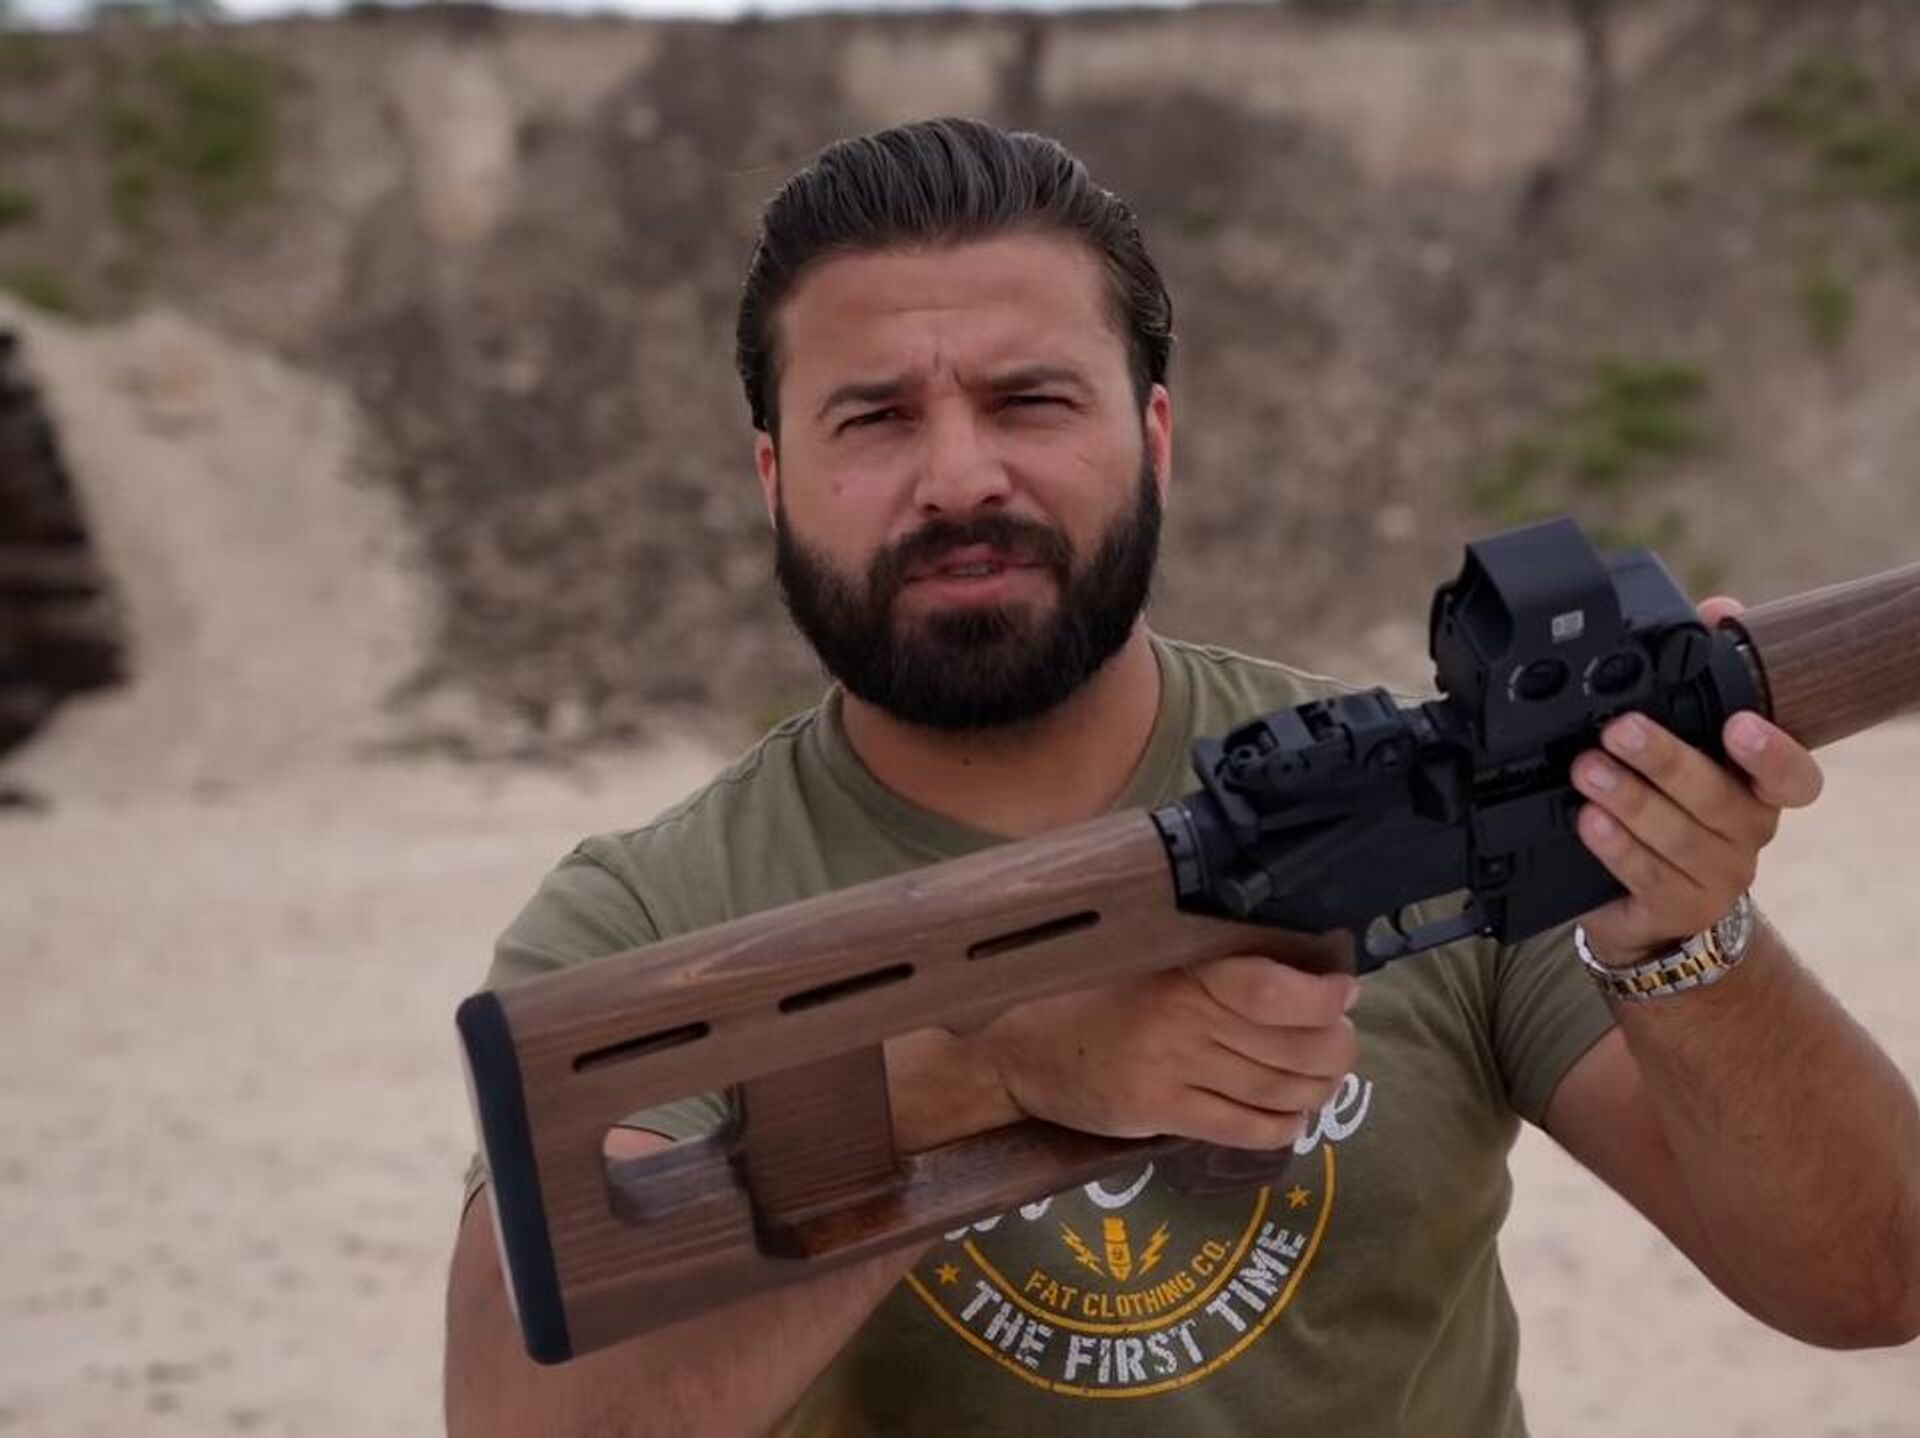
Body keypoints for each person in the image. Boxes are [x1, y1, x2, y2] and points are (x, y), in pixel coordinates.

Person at [442, 118, 1920, 1436]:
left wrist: (1686, 935)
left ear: (1155, 439)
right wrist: (980, 1076)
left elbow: (1869, 1278)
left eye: (1030, 400)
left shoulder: (1426, 796)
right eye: (876, 418)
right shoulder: (655, 915)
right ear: (774, 478)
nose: (959, 476)